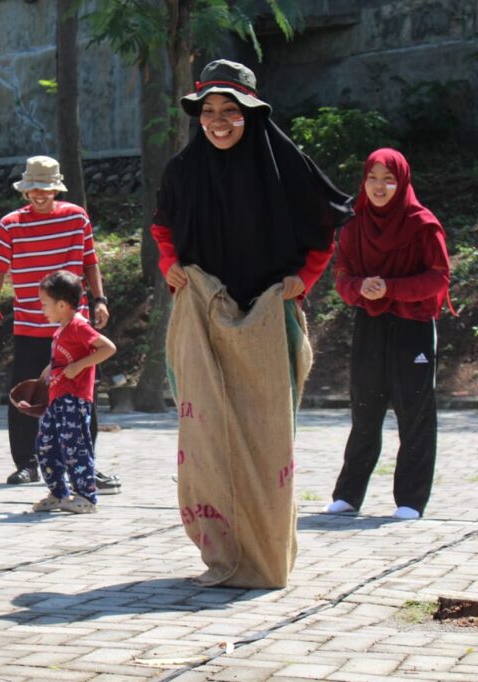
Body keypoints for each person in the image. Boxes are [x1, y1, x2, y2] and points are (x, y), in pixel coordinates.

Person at [151, 59, 353, 588]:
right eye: (208, 111)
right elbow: (163, 227)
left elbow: (324, 228)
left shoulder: (287, 167)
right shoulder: (182, 171)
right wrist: (169, 264)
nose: (218, 122)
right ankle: (222, 553)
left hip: (269, 317)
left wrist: (304, 279)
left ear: (254, 113)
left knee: (267, 442)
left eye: (231, 111)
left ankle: (264, 557)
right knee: (209, 439)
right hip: (204, 317)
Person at [0, 156, 121, 494]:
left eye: (45, 189)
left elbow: (90, 262)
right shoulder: (11, 224)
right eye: (33, 189)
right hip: (30, 324)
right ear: (25, 191)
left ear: (56, 189)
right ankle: (27, 463)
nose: (39, 195)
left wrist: (100, 300)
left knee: (83, 395)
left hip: (74, 326)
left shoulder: (76, 217)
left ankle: (85, 465)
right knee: (28, 392)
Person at [326, 149, 451, 520]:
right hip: (371, 322)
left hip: (413, 323)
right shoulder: (355, 224)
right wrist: (360, 288)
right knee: (364, 408)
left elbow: (438, 278)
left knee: (414, 411)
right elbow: (342, 276)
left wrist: (391, 288)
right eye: (372, 178)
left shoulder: (422, 224)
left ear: (403, 182)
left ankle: (411, 500)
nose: (379, 187)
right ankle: (348, 495)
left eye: (389, 179)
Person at [29, 270, 116, 514]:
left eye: (45, 304)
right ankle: (58, 493)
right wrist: (50, 369)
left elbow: (108, 348)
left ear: (62, 305)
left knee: (75, 448)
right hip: (57, 399)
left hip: (74, 400)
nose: (42, 309)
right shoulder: (62, 328)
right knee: (45, 445)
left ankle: (86, 497)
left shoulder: (79, 326)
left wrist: (79, 366)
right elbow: (63, 356)